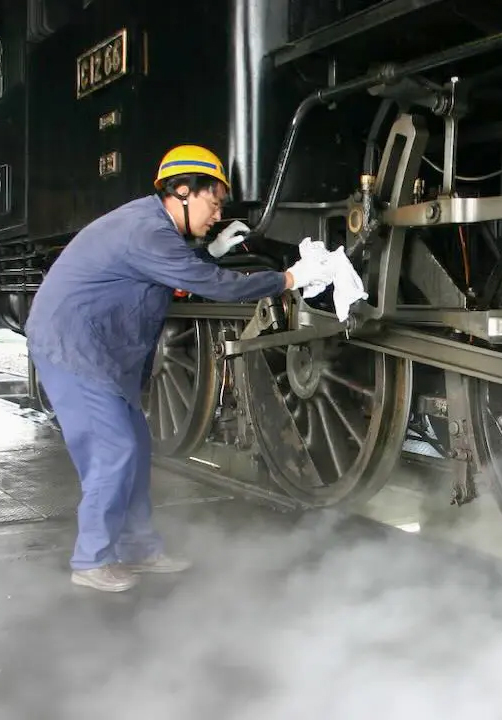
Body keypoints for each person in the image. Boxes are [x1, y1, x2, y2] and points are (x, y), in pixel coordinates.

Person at [25, 144, 336, 592]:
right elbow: (209, 285)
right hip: (75, 348)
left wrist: (209, 251)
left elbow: (176, 272)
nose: (217, 215)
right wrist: (290, 278)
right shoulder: (145, 231)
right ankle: (91, 560)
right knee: (113, 451)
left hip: (104, 351)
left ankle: (139, 549)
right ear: (184, 191)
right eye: (214, 203)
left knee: (134, 447)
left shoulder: (153, 229)